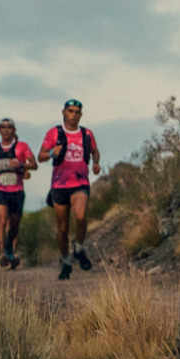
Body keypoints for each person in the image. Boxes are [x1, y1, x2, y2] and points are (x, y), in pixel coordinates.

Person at [38, 99, 101, 280]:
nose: (73, 115)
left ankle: (79, 249)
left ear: (81, 115)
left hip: (80, 182)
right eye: (70, 111)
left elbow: (95, 151)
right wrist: (52, 152)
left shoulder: (87, 134)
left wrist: (96, 162)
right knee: (63, 228)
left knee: (80, 217)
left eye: (77, 112)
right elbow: (40, 156)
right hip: (59, 185)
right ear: (63, 112)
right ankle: (66, 262)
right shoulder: (54, 133)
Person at [0, 117, 38, 269]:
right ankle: (3, 253)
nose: (6, 130)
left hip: (16, 192)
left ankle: (9, 251)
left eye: (9, 127)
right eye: (3, 127)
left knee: (14, 226)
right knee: (1, 221)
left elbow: (34, 164)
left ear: (14, 130)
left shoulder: (22, 147)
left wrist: (22, 166)